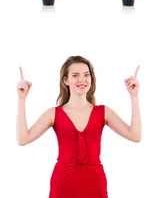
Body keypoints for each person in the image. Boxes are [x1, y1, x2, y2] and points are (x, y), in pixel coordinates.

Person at [16, 56, 141, 198]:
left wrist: (134, 97)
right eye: (75, 75)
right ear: (65, 80)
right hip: (63, 184)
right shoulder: (54, 114)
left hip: (95, 183)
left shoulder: (103, 112)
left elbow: (135, 135)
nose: (82, 80)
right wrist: (21, 100)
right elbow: (23, 139)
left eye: (86, 75)